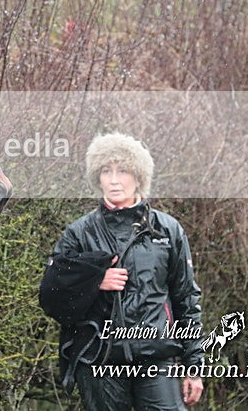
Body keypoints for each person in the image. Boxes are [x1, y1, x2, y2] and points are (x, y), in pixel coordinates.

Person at [42, 132, 204, 410]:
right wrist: (95, 281)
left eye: (123, 170)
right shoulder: (79, 232)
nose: (114, 179)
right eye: (106, 171)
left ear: (139, 177)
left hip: (157, 356)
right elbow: (51, 296)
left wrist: (194, 365)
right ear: (97, 177)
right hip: (99, 358)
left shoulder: (167, 230)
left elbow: (186, 298)